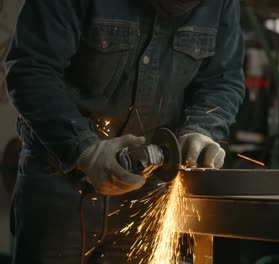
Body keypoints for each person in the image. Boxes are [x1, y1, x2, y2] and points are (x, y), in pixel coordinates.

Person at [5, 0, 245, 262]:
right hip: (60, 182)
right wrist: (86, 150)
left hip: (151, 192)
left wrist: (201, 130)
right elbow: (31, 70)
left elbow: (222, 81)